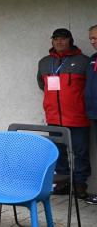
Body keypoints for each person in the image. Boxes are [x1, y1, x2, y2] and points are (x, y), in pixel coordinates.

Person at [37, 28, 91, 199]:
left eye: (63, 39)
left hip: (78, 116)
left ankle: (80, 184)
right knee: (57, 151)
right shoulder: (45, 62)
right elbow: (41, 84)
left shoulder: (84, 61)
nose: (59, 42)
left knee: (80, 152)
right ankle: (62, 183)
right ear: (52, 41)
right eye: (56, 39)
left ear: (70, 40)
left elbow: (90, 87)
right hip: (54, 117)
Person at [84, 25, 97, 205]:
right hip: (94, 114)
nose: (93, 42)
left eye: (95, 38)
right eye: (91, 39)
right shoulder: (93, 59)